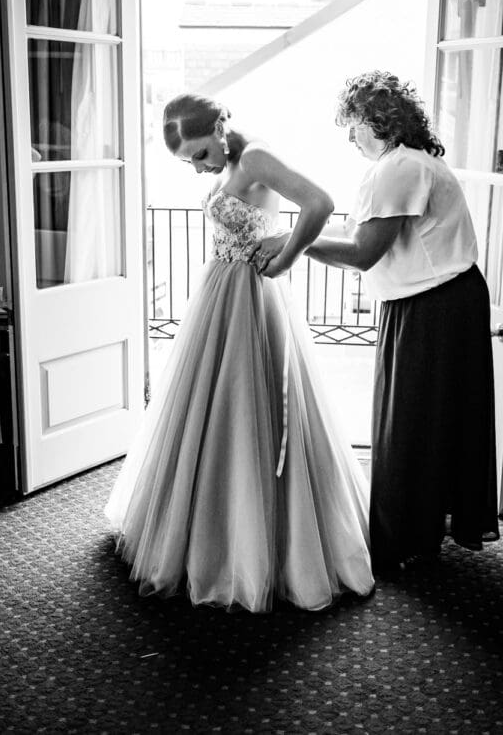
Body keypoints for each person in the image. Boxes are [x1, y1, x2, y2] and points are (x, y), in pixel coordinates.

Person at [105, 93, 374, 611]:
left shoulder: (255, 159)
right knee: (210, 415)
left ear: (222, 125)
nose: (200, 168)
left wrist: (288, 254)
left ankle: (253, 549)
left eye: (202, 154)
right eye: (191, 163)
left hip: (251, 296)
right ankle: (203, 531)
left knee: (251, 412)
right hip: (219, 296)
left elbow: (318, 202)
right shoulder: (234, 161)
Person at [256, 71, 499, 570]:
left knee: (411, 423)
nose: (349, 137)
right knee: (421, 421)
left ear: (378, 120)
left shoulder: (400, 168)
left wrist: (292, 241)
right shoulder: (403, 163)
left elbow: (364, 254)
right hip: (430, 301)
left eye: (353, 124)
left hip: (436, 305)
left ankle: (402, 540)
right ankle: (418, 531)